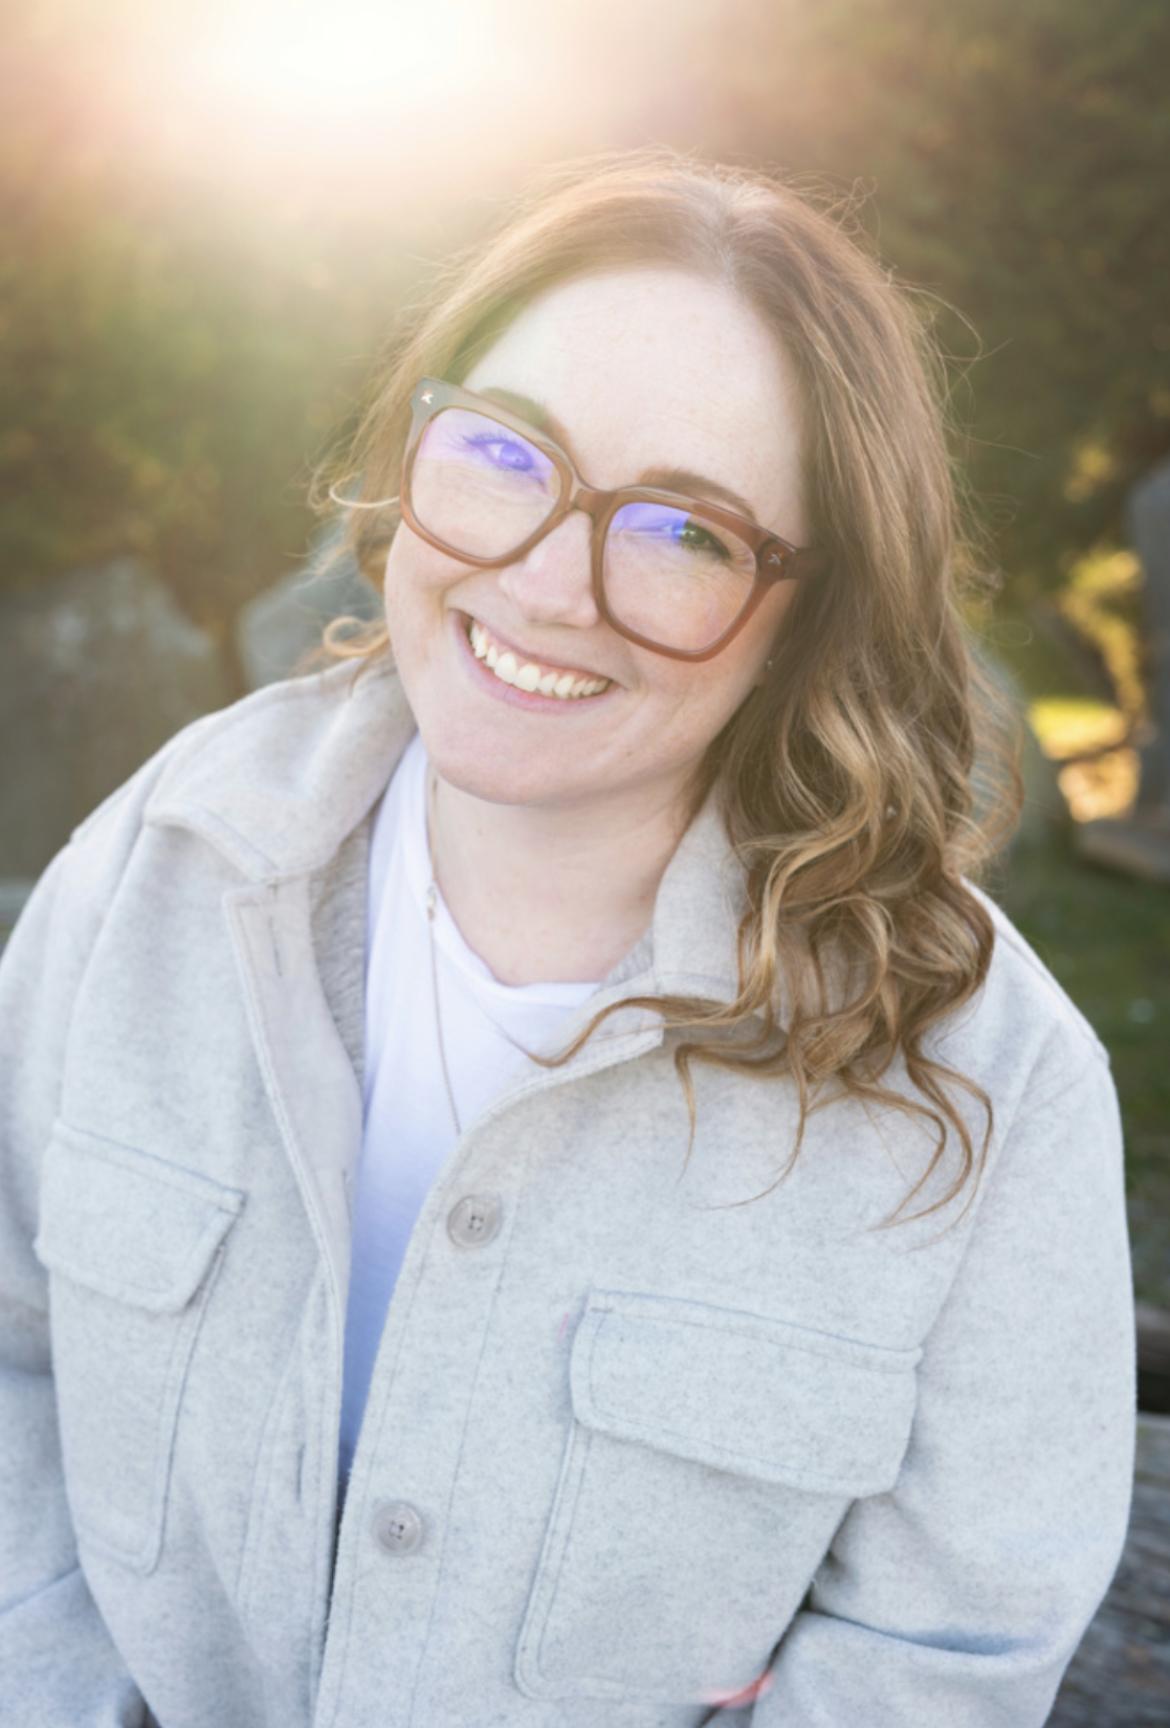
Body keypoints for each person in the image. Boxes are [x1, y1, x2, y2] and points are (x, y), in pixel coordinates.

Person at [0, 147, 1136, 1728]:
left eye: (683, 533)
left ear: (817, 609)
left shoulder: (989, 1090)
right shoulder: (146, 878)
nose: (542, 582)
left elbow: (950, 1647)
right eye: (502, 453)